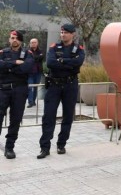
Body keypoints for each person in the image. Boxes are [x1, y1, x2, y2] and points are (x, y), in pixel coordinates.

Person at [37, 24, 85, 159]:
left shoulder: (78, 49)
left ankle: (61, 144)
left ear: (73, 34)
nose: (63, 34)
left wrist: (62, 61)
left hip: (70, 85)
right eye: (62, 32)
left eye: (66, 32)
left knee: (68, 116)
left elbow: (78, 64)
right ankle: (44, 147)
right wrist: (68, 63)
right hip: (54, 85)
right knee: (48, 116)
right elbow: (51, 63)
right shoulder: (53, 48)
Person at [0, 30, 34, 159]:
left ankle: (9, 148)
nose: (14, 40)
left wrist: (7, 67)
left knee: (15, 120)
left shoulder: (28, 54)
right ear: (9, 39)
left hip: (19, 91)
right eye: (12, 38)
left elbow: (27, 68)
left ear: (20, 40)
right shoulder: (3, 53)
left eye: (16, 38)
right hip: (3, 90)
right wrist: (14, 64)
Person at [27, 38, 44, 108]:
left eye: (35, 42)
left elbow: (41, 58)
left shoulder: (41, 51)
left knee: (36, 88)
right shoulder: (27, 51)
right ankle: (30, 102)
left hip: (38, 72)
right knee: (30, 87)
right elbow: (28, 59)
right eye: (32, 42)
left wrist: (33, 57)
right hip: (29, 73)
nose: (33, 44)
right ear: (30, 44)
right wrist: (36, 58)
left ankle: (33, 101)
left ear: (37, 43)